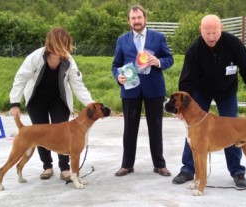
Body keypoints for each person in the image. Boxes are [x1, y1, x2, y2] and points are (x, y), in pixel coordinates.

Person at [172, 14, 246, 187]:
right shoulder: (194, 50)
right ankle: (187, 169)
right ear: (200, 30)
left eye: (214, 33)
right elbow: (186, 80)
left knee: (233, 131)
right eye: (207, 33)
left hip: (227, 92)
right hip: (202, 93)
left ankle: (237, 172)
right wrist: (181, 110)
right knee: (194, 131)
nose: (211, 37)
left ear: (221, 28)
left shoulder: (234, 44)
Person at [9, 27, 94, 181]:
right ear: (52, 44)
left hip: (58, 99)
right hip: (37, 99)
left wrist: (92, 104)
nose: (65, 49)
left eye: (66, 45)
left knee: (64, 133)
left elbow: (78, 85)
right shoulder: (35, 57)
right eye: (62, 45)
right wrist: (14, 103)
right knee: (41, 134)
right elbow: (20, 78)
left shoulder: (68, 61)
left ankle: (65, 169)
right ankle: (47, 167)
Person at [112, 5, 174, 177]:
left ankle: (159, 164)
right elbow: (115, 65)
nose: (136, 21)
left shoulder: (158, 37)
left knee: (156, 127)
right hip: (130, 90)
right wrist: (118, 76)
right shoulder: (122, 40)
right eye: (133, 18)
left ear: (145, 18)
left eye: (139, 18)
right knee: (129, 128)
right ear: (129, 21)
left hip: (154, 89)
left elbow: (170, 59)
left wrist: (158, 62)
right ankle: (127, 165)